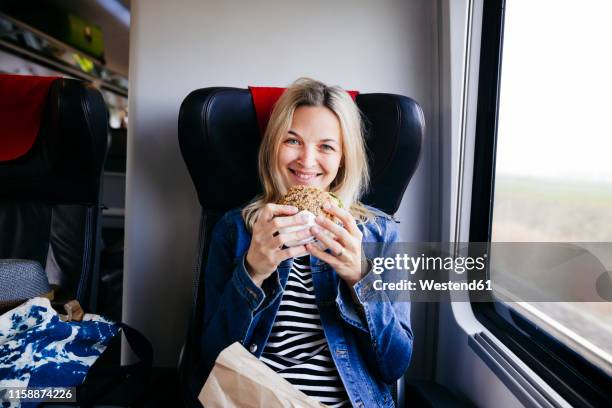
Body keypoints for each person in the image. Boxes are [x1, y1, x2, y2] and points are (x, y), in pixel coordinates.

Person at [198, 78, 413, 407]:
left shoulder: (379, 234)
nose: (307, 161)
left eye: (326, 146)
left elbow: (395, 365)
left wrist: (360, 277)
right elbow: (212, 357)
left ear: (343, 158)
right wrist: (252, 271)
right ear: (274, 146)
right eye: (292, 141)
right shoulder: (235, 229)